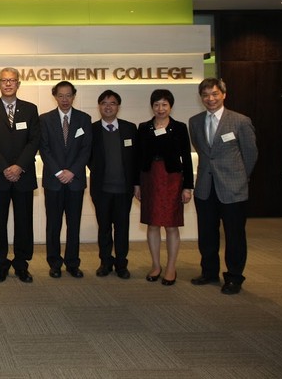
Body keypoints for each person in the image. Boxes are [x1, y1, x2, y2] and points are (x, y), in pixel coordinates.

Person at [189, 78, 258, 295]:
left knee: (234, 235)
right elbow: (202, 151)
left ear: (224, 95)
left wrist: (240, 178)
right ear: (201, 98)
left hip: (233, 188)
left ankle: (234, 276)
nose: (210, 98)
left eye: (215, 94)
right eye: (206, 95)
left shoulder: (240, 121)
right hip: (205, 187)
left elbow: (250, 154)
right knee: (207, 233)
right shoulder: (195, 121)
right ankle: (209, 272)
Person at [0, 68, 40, 283]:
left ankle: (22, 265)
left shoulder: (30, 109)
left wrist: (18, 166)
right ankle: (1, 265)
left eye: (12, 80)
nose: (8, 84)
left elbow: (34, 141)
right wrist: (5, 168)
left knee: (24, 223)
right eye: (4, 80)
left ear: (18, 83)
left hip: (23, 176)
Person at [135, 89, 194, 286]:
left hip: (172, 179)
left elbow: (186, 158)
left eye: (164, 105)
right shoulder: (143, 128)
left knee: (171, 224)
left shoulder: (179, 128)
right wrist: (137, 184)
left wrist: (188, 187)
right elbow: (138, 158)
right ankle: (155, 265)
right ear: (152, 106)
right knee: (152, 224)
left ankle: (170, 267)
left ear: (170, 106)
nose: (160, 109)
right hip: (149, 178)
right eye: (157, 105)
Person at [39, 81, 92, 279]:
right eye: (61, 95)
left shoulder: (84, 119)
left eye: (68, 95)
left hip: (75, 180)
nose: (64, 99)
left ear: (74, 96)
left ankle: (72, 263)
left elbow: (87, 149)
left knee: (74, 223)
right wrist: (58, 172)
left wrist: (72, 172)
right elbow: (44, 148)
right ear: (55, 96)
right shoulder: (44, 119)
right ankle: (54, 263)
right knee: (53, 224)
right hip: (53, 181)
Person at [88, 89, 138, 279]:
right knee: (104, 228)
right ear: (99, 106)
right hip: (101, 189)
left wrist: (136, 184)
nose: (108, 107)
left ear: (118, 107)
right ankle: (105, 262)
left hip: (124, 189)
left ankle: (121, 264)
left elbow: (136, 158)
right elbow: (87, 156)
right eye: (104, 103)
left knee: (122, 227)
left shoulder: (130, 128)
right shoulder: (91, 129)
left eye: (112, 103)